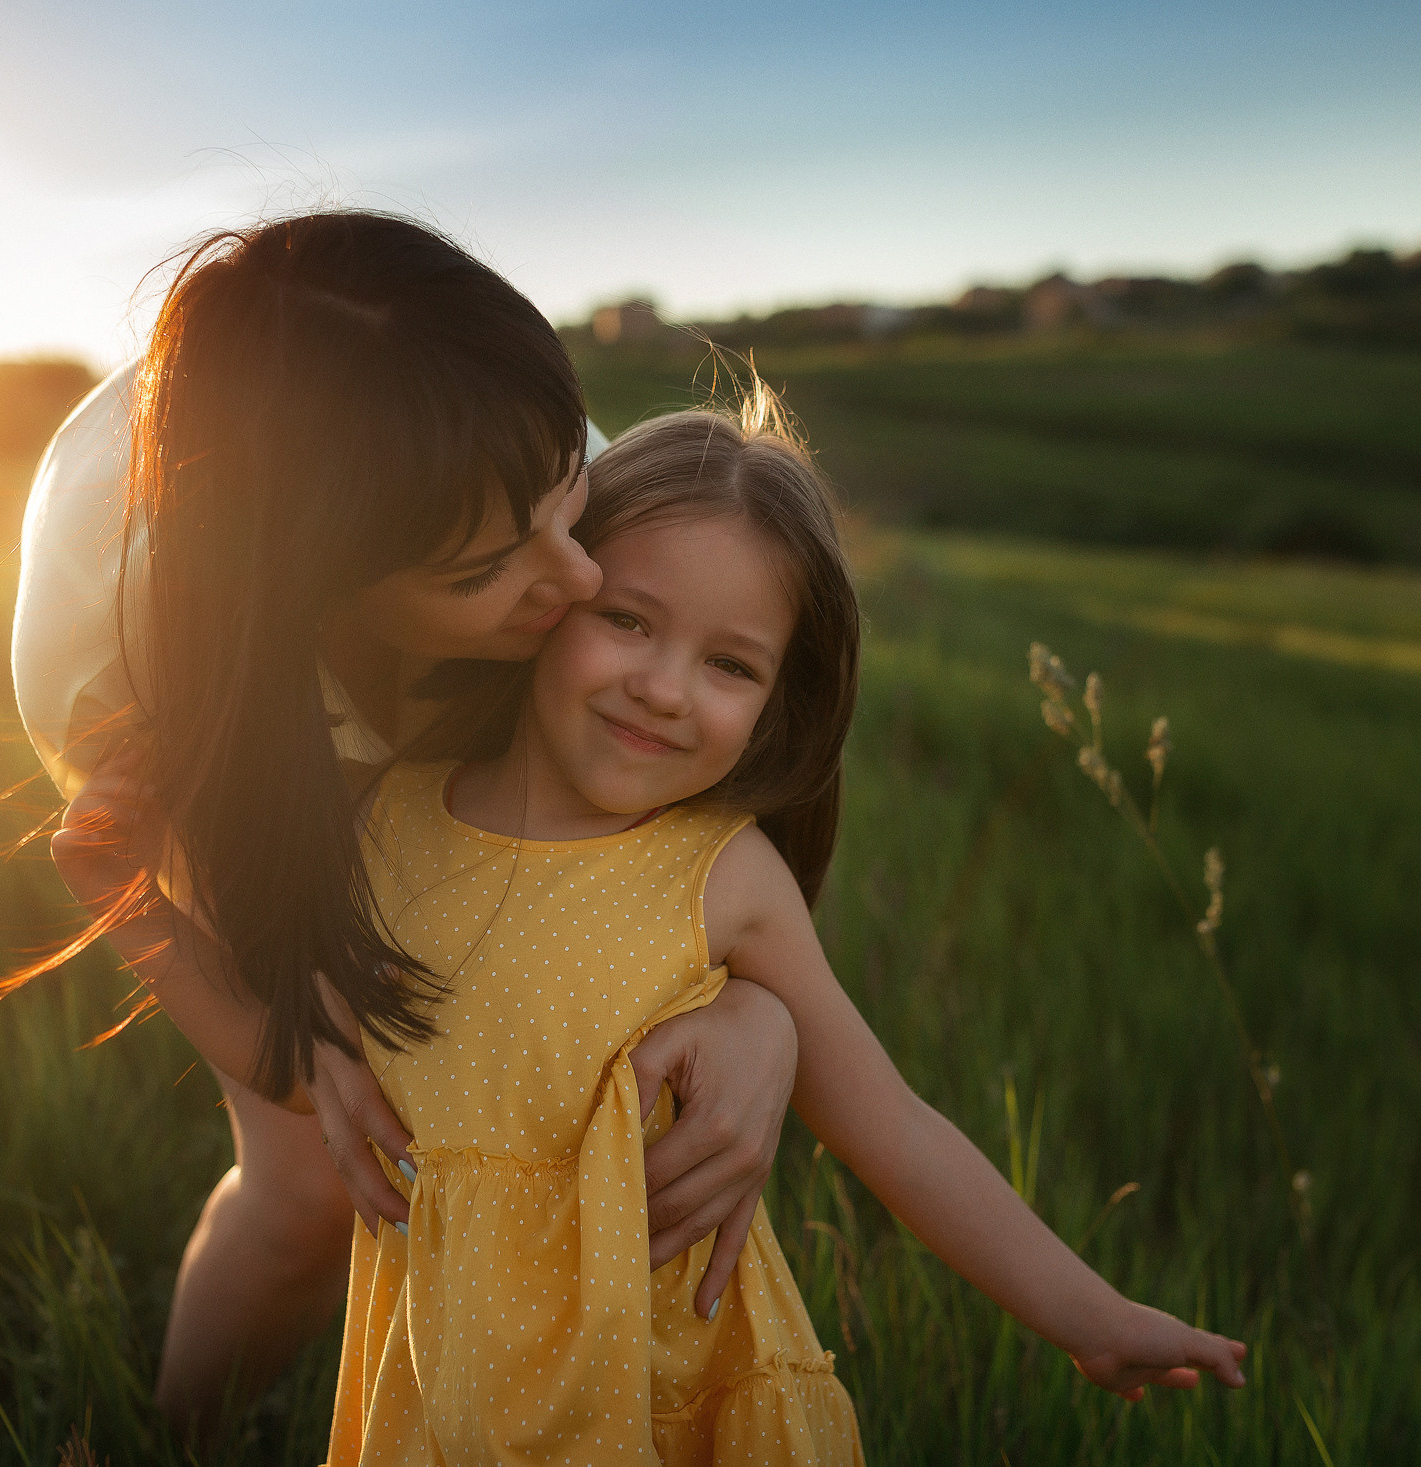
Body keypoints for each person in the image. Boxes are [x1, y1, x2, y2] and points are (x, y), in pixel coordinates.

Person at [301, 394, 1247, 1460]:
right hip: (442, 1375)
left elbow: (896, 1129)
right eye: (628, 620)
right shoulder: (385, 816)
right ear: (547, 600)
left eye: (731, 665)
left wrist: (1093, 1318)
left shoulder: (724, 876)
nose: (665, 689)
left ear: (773, 705)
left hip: (661, 1385)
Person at [6, 212, 802, 1437]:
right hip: (242, 749)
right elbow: (105, 853)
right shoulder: (126, 659)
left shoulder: (531, 470)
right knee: (309, 1192)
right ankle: (172, 1438)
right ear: (319, 594)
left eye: (565, 503)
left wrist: (762, 1016)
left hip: (396, 625)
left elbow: (690, 839)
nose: (581, 579)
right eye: (485, 570)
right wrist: (295, 1025)